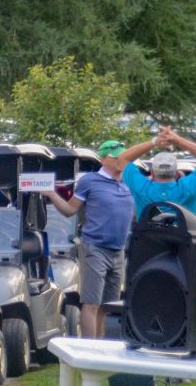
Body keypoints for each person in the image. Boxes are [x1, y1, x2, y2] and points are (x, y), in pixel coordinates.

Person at [46, 139, 139, 338]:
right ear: (104, 159)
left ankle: (102, 351)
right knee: (91, 303)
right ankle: (89, 351)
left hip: (118, 250)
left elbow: (132, 216)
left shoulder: (127, 182)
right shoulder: (90, 181)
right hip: (95, 247)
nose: (121, 161)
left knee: (107, 306)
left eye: (123, 157)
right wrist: (52, 195)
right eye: (116, 158)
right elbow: (70, 210)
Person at [122, 126, 196, 217]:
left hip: (147, 231)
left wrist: (154, 142)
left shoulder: (141, 187)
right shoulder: (188, 187)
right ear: (177, 174)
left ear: (152, 173)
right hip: (185, 231)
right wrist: (178, 140)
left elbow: (123, 158)